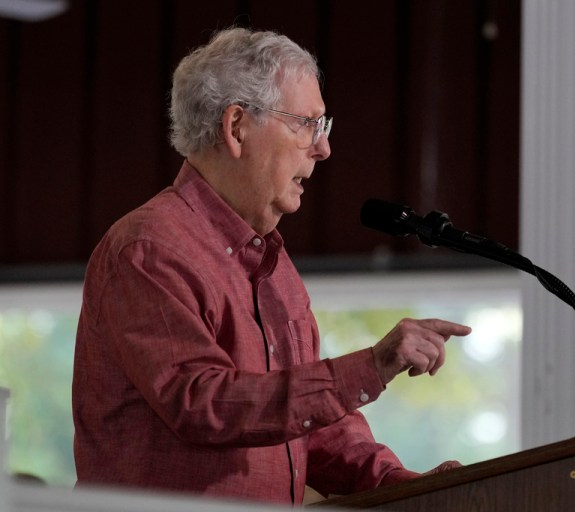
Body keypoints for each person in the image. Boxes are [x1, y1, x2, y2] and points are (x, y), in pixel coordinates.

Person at [72, 27, 471, 505]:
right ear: (237, 127)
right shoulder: (148, 249)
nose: (322, 149)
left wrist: (405, 486)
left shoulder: (277, 270)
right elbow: (204, 403)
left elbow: (317, 430)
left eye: (324, 128)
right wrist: (372, 366)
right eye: (307, 124)